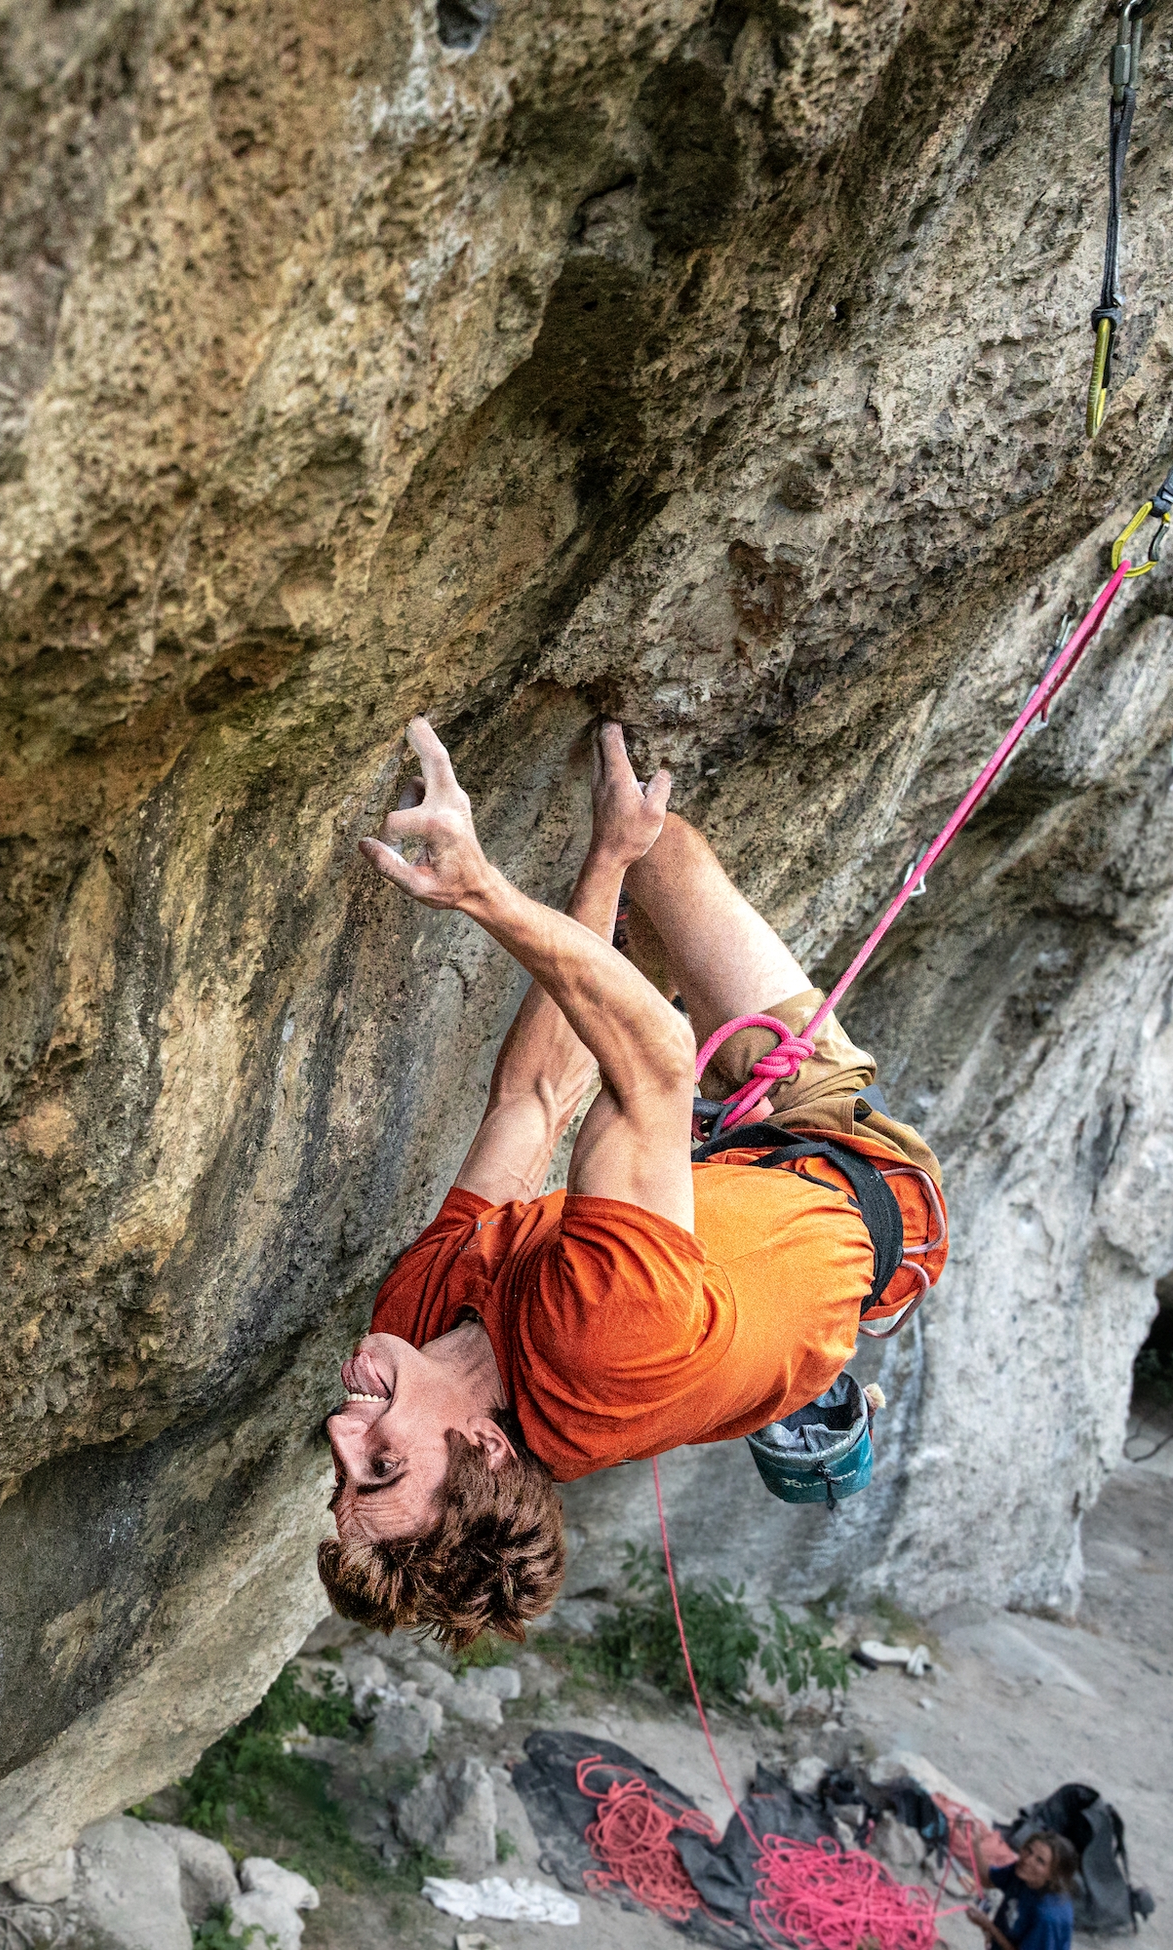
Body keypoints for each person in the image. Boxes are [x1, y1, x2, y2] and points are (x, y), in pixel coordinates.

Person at [317, 717, 945, 1647]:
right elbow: (656, 1062)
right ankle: (797, 1359)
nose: (340, 1432)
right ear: (486, 1447)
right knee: (675, 862)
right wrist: (480, 890)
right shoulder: (599, 1341)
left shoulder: (413, 1324)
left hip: (714, 1193)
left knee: (644, 864)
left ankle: (752, 1322)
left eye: (343, 1478)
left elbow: (531, 1101)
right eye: (380, 1467)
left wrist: (608, 858)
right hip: (847, 1168)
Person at [967, 1831, 1078, 1950]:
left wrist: (988, 1926)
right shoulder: (1021, 1874)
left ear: (1053, 1874)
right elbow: (988, 1879)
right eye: (1029, 1850)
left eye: (1040, 1861)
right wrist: (974, 1845)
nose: (1028, 1860)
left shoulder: (1048, 1916)